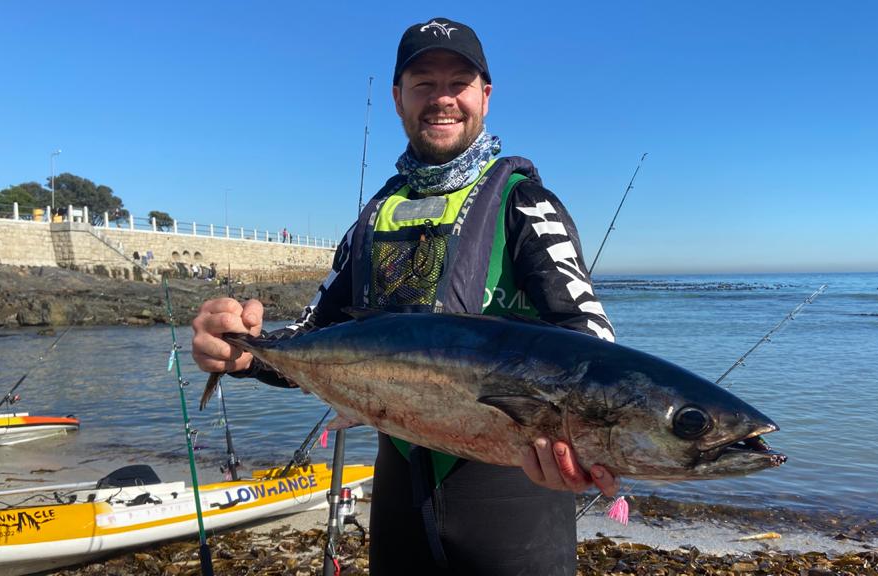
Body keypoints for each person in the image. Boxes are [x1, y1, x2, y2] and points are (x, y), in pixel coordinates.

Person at [191, 17, 617, 576]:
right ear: (398, 98)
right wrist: (243, 351)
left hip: (515, 499)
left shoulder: (526, 204)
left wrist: (592, 438)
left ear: (485, 96)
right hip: (398, 499)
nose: (442, 98)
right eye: (423, 83)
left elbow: (591, 342)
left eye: (459, 83)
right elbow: (315, 340)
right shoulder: (374, 218)